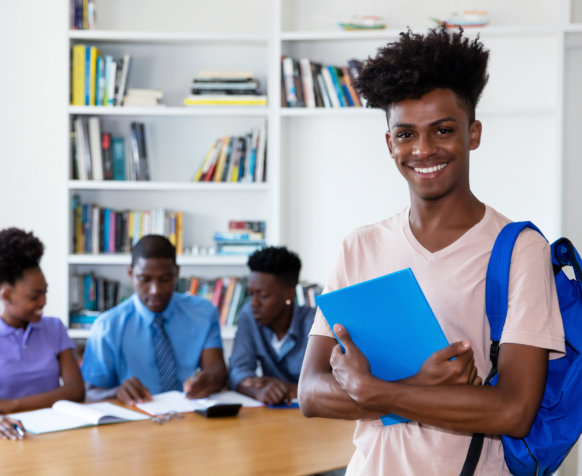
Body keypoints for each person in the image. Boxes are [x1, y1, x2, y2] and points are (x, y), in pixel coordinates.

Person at [298, 26, 565, 475]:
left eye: (442, 130)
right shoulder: (359, 247)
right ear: (389, 143)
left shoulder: (519, 249)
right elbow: (310, 392)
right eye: (405, 134)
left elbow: (513, 412)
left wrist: (377, 391)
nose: (423, 150)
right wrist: (417, 386)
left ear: (473, 133)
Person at [82, 234, 227, 404]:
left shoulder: (203, 313)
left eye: (165, 279)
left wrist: (208, 379)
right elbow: (88, 393)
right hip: (135, 420)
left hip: (191, 415)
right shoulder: (107, 326)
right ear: (130, 274)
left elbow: (217, 369)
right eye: (144, 279)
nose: (155, 290)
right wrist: (116, 392)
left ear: (177, 273)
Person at [0, 227, 84, 440]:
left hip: (56, 432)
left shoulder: (54, 328)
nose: (43, 302)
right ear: (6, 295)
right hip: (10, 437)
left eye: (45, 292)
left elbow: (75, 391)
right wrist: (55, 397)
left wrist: (11, 404)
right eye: (34, 296)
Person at [228, 246, 315, 405]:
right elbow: (238, 371)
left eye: (263, 295)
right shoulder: (249, 315)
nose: (254, 303)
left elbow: (334, 384)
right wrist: (257, 391)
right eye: (251, 294)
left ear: (289, 294)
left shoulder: (315, 323)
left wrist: (290, 390)